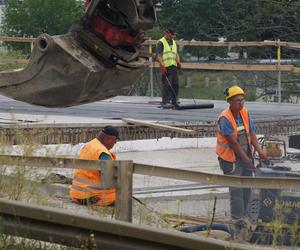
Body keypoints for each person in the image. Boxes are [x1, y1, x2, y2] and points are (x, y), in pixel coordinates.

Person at [215, 86, 267, 230]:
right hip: (230, 159)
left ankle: (245, 216)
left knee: (246, 188)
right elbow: (234, 143)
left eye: (242, 100)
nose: (241, 103)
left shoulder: (244, 113)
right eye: (238, 100)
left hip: (244, 157)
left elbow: (252, 134)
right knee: (236, 189)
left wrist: (260, 151)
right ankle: (237, 220)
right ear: (230, 101)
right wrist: (247, 161)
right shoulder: (225, 118)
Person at [70, 125, 119, 206]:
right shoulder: (102, 153)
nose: (115, 143)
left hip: (76, 194)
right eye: (115, 140)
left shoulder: (89, 145)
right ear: (109, 138)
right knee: (125, 197)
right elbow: (110, 180)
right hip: (93, 196)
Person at [156, 27, 181, 108]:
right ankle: (165, 101)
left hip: (174, 66)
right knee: (167, 85)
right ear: (166, 33)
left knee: (176, 84)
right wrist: (162, 65)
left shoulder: (173, 42)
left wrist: (178, 61)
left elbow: (176, 53)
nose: (172, 37)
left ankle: (174, 101)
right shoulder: (161, 42)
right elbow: (159, 55)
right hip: (166, 67)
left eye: (173, 36)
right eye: (171, 35)